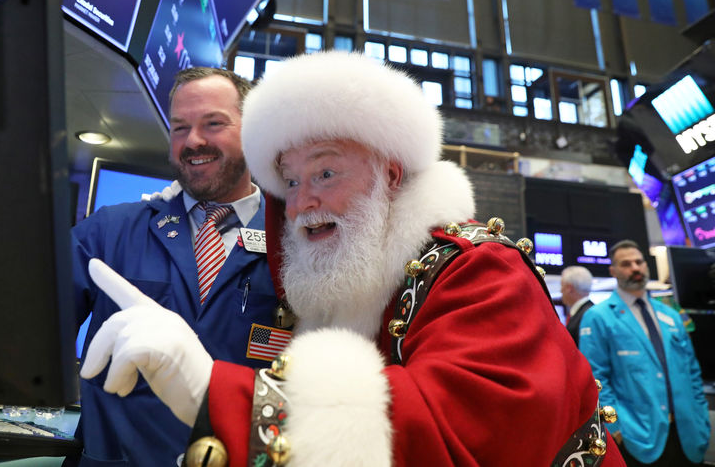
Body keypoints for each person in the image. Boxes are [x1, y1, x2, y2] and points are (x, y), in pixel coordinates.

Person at [79, 51, 624, 466]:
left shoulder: (478, 268)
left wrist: (212, 389)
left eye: (325, 172)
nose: (303, 201)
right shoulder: (335, 290)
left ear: (389, 173)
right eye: (289, 181)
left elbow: (468, 428)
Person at [67, 67, 281, 466]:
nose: (193, 141)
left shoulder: (296, 245)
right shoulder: (108, 232)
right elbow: (26, 328)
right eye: (180, 127)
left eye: (213, 124)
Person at [579, 240, 710, 466]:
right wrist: (616, 430)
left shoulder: (671, 315)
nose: (635, 268)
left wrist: (702, 420)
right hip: (638, 438)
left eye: (639, 262)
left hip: (688, 433)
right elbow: (596, 380)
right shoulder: (599, 317)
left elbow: (692, 373)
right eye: (626, 264)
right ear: (613, 271)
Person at [561, 265, 595, 345]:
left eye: (562, 286)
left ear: (569, 288)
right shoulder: (589, 311)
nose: (560, 290)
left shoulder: (588, 315)